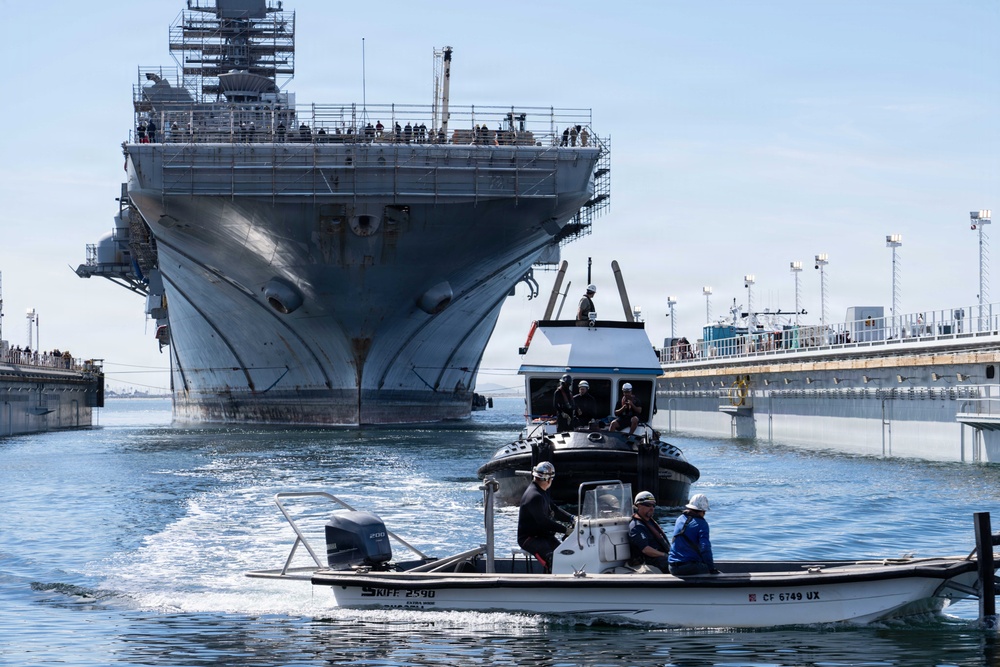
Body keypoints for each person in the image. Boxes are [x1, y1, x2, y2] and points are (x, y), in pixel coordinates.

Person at [517, 461, 574, 571]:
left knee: (565, 554)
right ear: (548, 480)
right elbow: (543, 522)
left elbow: (555, 509)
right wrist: (565, 530)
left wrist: (572, 518)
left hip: (542, 536)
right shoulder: (534, 496)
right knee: (552, 558)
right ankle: (551, 584)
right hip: (529, 538)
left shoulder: (542, 492)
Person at [668, 494, 718, 576]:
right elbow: (705, 548)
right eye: (704, 512)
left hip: (672, 567)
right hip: (688, 567)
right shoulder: (702, 524)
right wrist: (711, 569)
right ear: (702, 511)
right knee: (710, 570)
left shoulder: (679, 519)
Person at [627, 491, 671, 572]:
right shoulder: (636, 526)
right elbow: (646, 550)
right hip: (649, 560)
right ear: (638, 506)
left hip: (660, 556)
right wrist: (665, 555)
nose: (652, 508)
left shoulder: (650, 522)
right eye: (648, 505)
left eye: (653, 505)